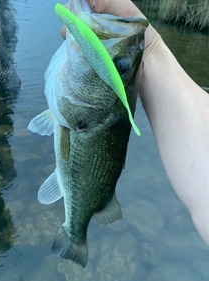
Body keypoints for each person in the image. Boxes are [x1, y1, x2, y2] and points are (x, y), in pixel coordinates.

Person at [62, 0, 209, 246]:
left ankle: (74, 235)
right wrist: (149, 48)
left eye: (119, 66)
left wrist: (148, 49)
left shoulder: (80, 114)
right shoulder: (83, 112)